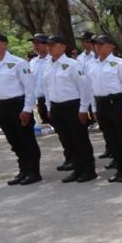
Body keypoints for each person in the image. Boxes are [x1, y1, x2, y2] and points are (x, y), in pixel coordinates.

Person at [42, 36, 95, 182]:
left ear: (63, 47)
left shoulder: (72, 64)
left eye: (53, 45)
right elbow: (46, 89)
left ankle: (88, 170)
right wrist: (49, 107)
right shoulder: (48, 66)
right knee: (67, 140)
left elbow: (84, 87)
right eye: (48, 45)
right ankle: (77, 170)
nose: (50, 48)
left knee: (80, 139)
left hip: (73, 106)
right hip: (56, 107)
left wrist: (83, 109)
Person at [0, 33, 40, 185]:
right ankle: (23, 170)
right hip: (1, 107)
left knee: (26, 139)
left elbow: (30, 88)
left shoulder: (18, 63)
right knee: (14, 141)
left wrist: (27, 110)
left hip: (17, 106)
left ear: (4, 44)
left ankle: (33, 172)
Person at [88, 34, 122, 182]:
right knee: (111, 139)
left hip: (116, 103)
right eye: (95, 44)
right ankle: (120, 168)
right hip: (102, 104)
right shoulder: (92, 65)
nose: (97, 46)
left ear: (111, 46)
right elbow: (91, 89)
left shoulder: (120, 64)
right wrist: (95, 109)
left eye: (101, 44)